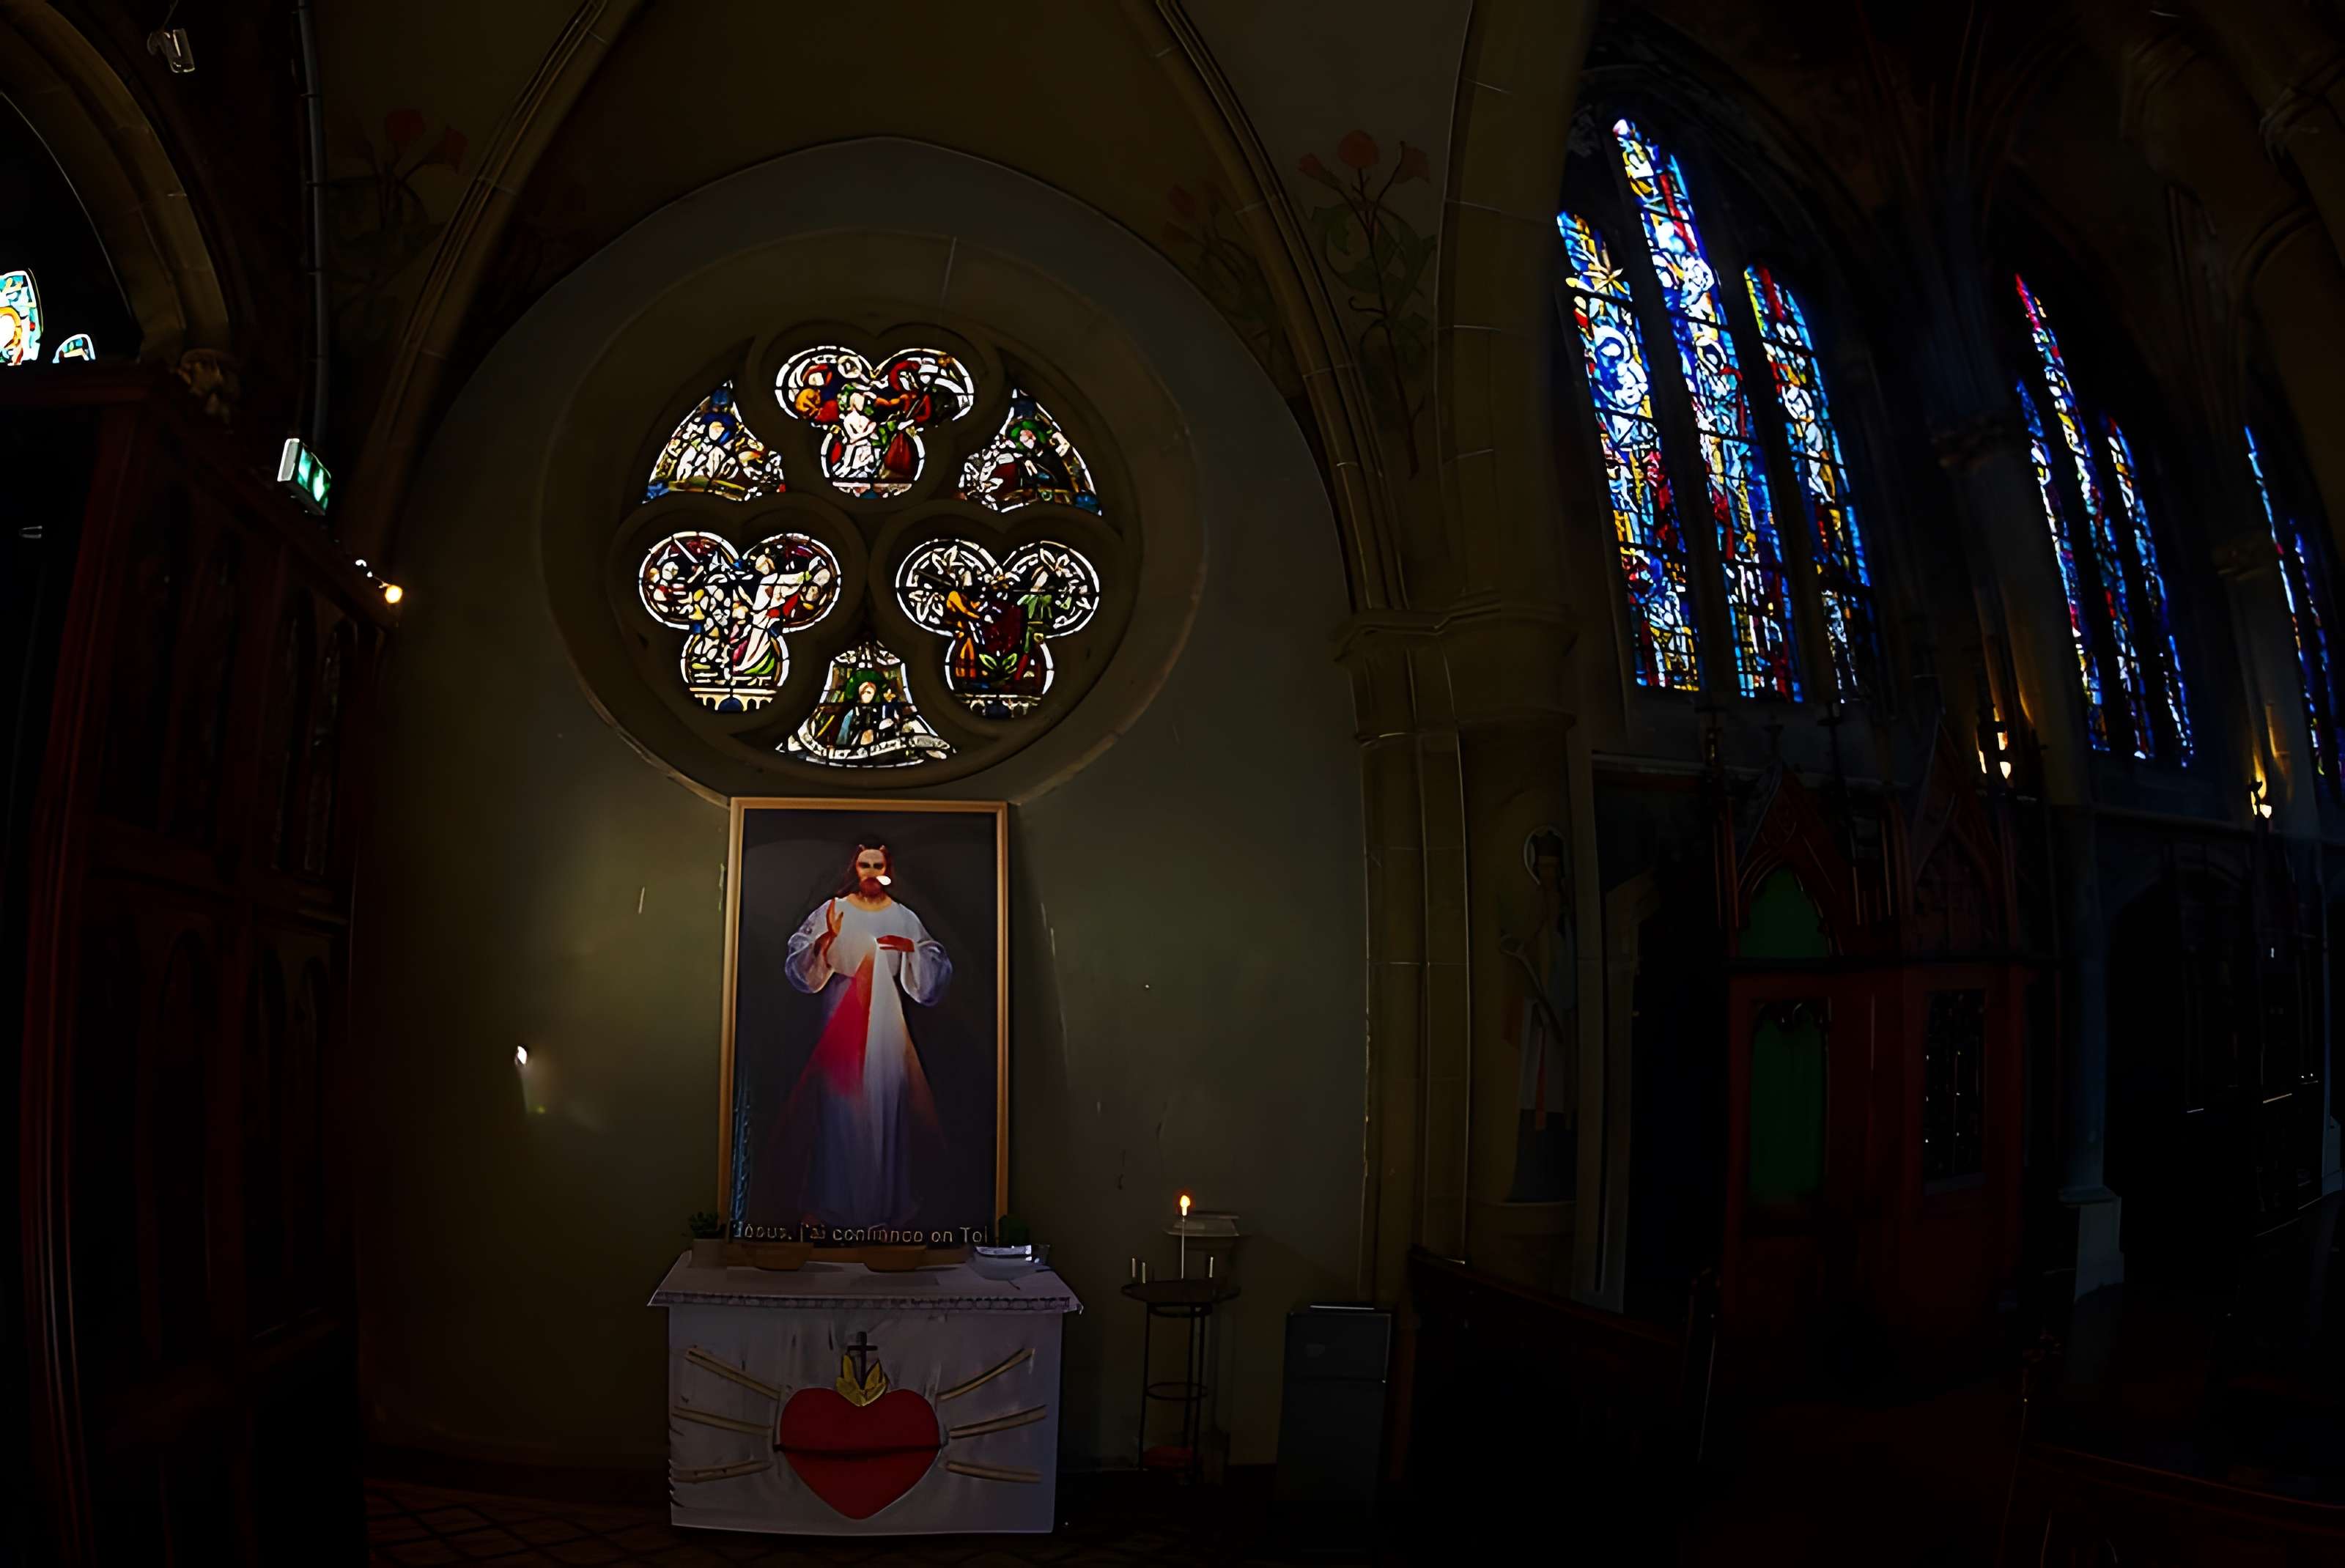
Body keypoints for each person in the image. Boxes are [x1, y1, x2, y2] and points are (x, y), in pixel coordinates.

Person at [774, 842, 953, 1227]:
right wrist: (826, 941)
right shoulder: (834, 909)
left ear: (888, 868)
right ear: (854, 868)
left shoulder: (903, 916)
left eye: (878, 864)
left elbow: (933, 961)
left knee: (886, 1098)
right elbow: (800, 955)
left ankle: (882, 1207)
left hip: (887, 1016)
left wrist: (911, 950)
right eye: (864, 864)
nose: (871, 872)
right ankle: (837, 1206)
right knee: (841, 1106)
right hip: (843, 1009)